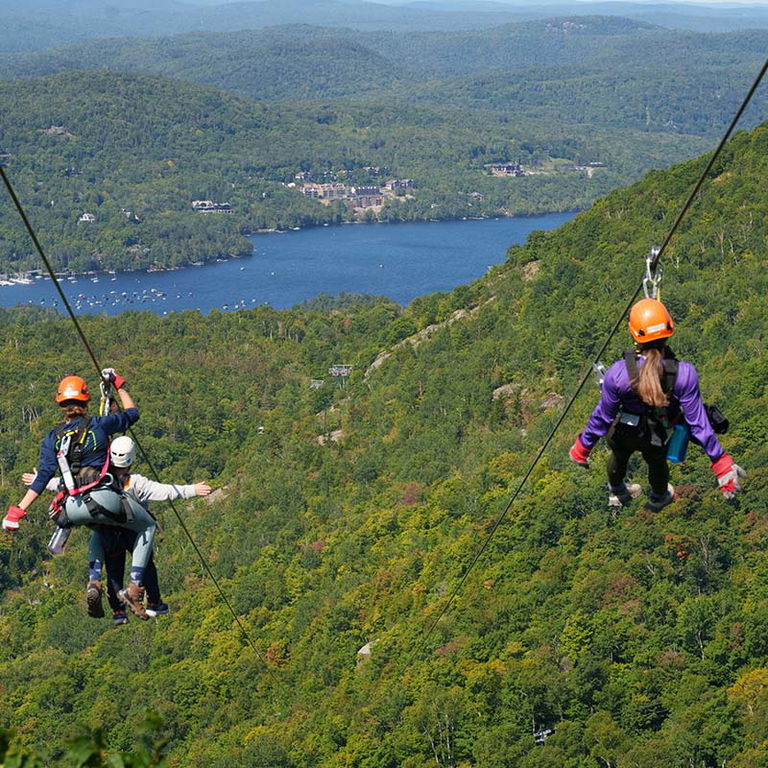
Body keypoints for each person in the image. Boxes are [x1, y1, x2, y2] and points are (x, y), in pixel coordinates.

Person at [3, 371, 157, 618]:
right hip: (103, 498)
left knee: (98, 528)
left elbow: (42, 477)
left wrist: (18, 511)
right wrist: (120, 385)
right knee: (147, 526)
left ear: (61, 405)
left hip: (71, 507)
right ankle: (135, 586)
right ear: (85, 402)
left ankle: (94, 581)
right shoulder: (98, 425)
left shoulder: (52, 438)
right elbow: (132, 414)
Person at [569, 298, 746, 511]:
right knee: (656, 460)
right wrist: (720, 463)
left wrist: (583, 447)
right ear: (669, 329)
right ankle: (659, 496)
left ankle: (617, 490)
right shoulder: (683, 373)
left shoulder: (618, 374)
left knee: (619, 453)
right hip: (658, 434)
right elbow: (698, 423)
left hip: (624, 430)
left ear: (634, 333)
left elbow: (603, 416)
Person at [27, 435, 212, 625]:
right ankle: (154, 602)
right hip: (132, 532)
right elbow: (164, 491)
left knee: (114, 568)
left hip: (108, 533)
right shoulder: (136, 483)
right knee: (146, 563)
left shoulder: (98, 479)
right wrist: (192, 489)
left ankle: (115, 609)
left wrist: (38, 481)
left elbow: (65, 483)